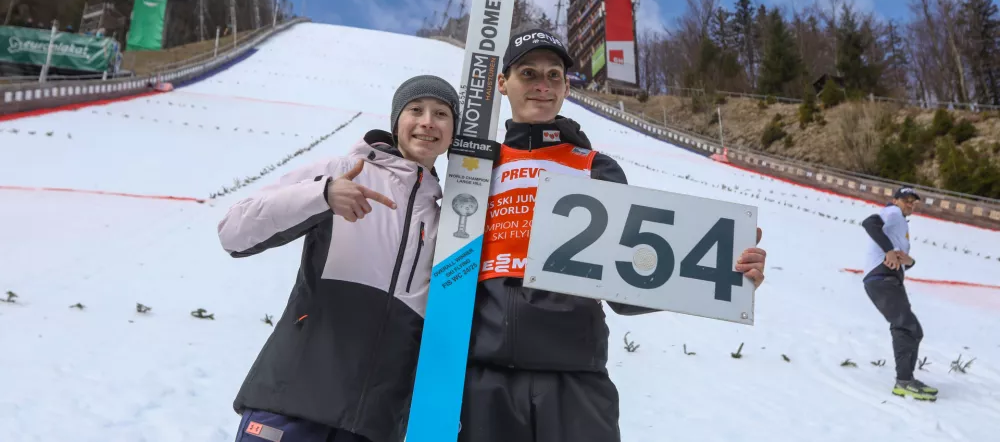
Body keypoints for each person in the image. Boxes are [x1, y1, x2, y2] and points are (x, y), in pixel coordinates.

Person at [458, 28, 768, 442]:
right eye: (529, 73)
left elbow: (629, 283)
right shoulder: (476, 170)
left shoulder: (594, 167)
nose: (542, 85)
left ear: (567, 86)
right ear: (503, 82)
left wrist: (728, 271)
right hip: (483, 380)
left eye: (554, 76)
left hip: (575, 383)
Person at [217, 75, 461, 442]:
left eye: (441, 113)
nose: (428, 121)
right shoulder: (342, 172)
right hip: (292, 401)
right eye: (416, 110)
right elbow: (233, 231)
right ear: (397, 121)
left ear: (453, 131)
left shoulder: (446, 221)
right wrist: (322, 196)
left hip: (371, 425)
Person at [861, 186, 937, 401]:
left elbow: (899, 260)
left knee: (913, 330)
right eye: (906, 200)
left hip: (889, 280)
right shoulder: (892, 213)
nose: (910, 204)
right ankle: (903, 382)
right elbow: (870, 223)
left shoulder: (900, 223)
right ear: (895, 200)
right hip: (881, 279)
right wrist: (887, 251)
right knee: (907, 327)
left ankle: (907, 379)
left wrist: (909, 261)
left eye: (913, 201)